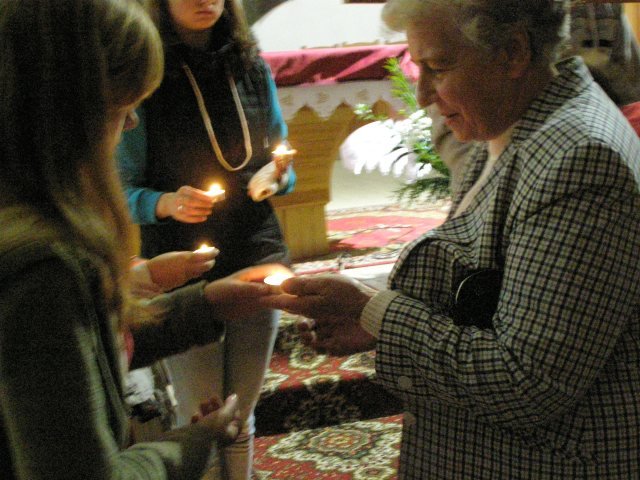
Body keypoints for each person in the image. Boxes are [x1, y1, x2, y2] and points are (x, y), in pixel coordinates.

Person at [261, 1, 640, 478]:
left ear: (512, 52)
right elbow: (495, 294)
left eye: (438, 67)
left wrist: (374, 310)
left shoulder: (579, 159)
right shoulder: (512, 122)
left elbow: (524, 383)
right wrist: (375, 323)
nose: (421, 96)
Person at [0, 1, 285, 478]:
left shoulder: (35, 236)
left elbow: (87, 347)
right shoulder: (42, 266)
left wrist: (205, 305)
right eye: (121, 106)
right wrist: (196, 440)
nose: (132, 122)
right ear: (64, 109)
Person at [117, 1, 295, 478]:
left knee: (242, 408)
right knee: (201, 409)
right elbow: (121, 187)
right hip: (182, 260)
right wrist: (166, 203)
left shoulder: (251, 66)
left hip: (256, 247)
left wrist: (278, 176)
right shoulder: (148, 73)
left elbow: (283, 162)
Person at [432, 0, 640, 196]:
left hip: (590, 162)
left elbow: (630, 88)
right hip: (499, 176)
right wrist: (487, 188)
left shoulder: (602, 9)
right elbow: (453, 125)